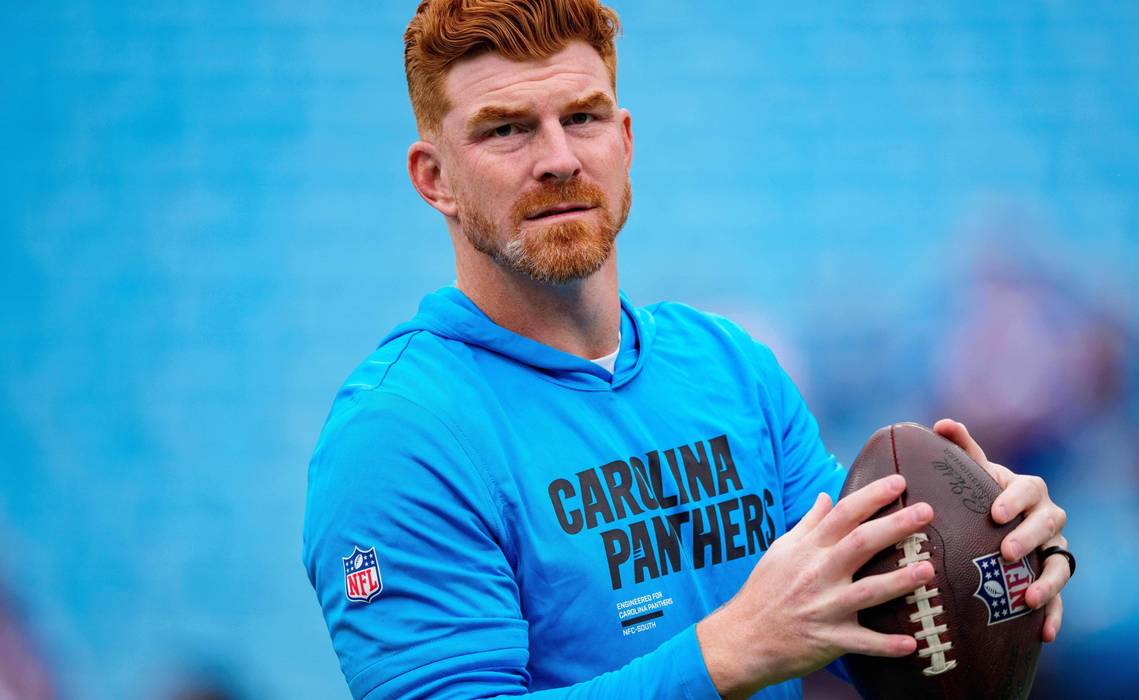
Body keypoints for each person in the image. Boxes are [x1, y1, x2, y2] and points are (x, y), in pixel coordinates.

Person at [301, 1, 1073, 698]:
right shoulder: (400, 435)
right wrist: (730, 652)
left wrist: (999, 557)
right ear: (433, 178)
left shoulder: (730, 367)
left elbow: (873, 611)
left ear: (624, 141)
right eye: (506, 129)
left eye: (582, 117)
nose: (558, 158)